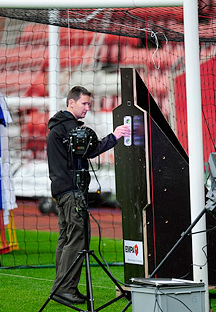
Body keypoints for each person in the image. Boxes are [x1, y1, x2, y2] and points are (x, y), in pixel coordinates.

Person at [46, 86, 130, 304]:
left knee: (66, 238)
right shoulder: (70, 128)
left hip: (61, 190)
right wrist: (115, 136)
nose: (86, 108)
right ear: (71, 102)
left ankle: (61, 287)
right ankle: (65, 289)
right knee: (77, 238)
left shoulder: (57, 126)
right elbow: (90, 150)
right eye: (83, 104)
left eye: (88, 105)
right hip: (72, 191)